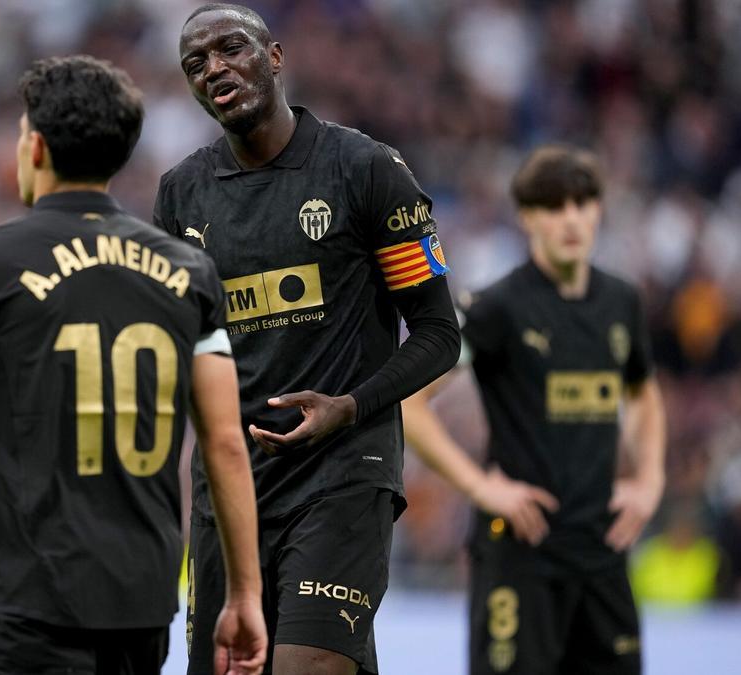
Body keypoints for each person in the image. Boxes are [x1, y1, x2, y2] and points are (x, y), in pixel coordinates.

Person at [0, 55, 266, 675]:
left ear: (38, 147)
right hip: (145, 597)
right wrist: (244, 594)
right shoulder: (189, 272)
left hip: (35, 597)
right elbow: (226, 444)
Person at [155, 5, 461, 673]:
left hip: (343, 475)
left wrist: (350, 406)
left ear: (274, 56)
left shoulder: (365, 169)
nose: (214, 69)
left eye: (229, 48)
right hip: (230, 492)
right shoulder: (181, 195)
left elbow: (440, 334)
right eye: (195, 64)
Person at [401, 145, 667, 675]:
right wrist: (482, 488)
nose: (570, 218)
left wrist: (650, 481)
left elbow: (642, 393)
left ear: (598, 210)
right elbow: (411, 403)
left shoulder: (622, 304)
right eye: (552, 206)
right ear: (527, 218)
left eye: (582, 202)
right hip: (521, 555)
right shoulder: (497, 307)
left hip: (601, 550)